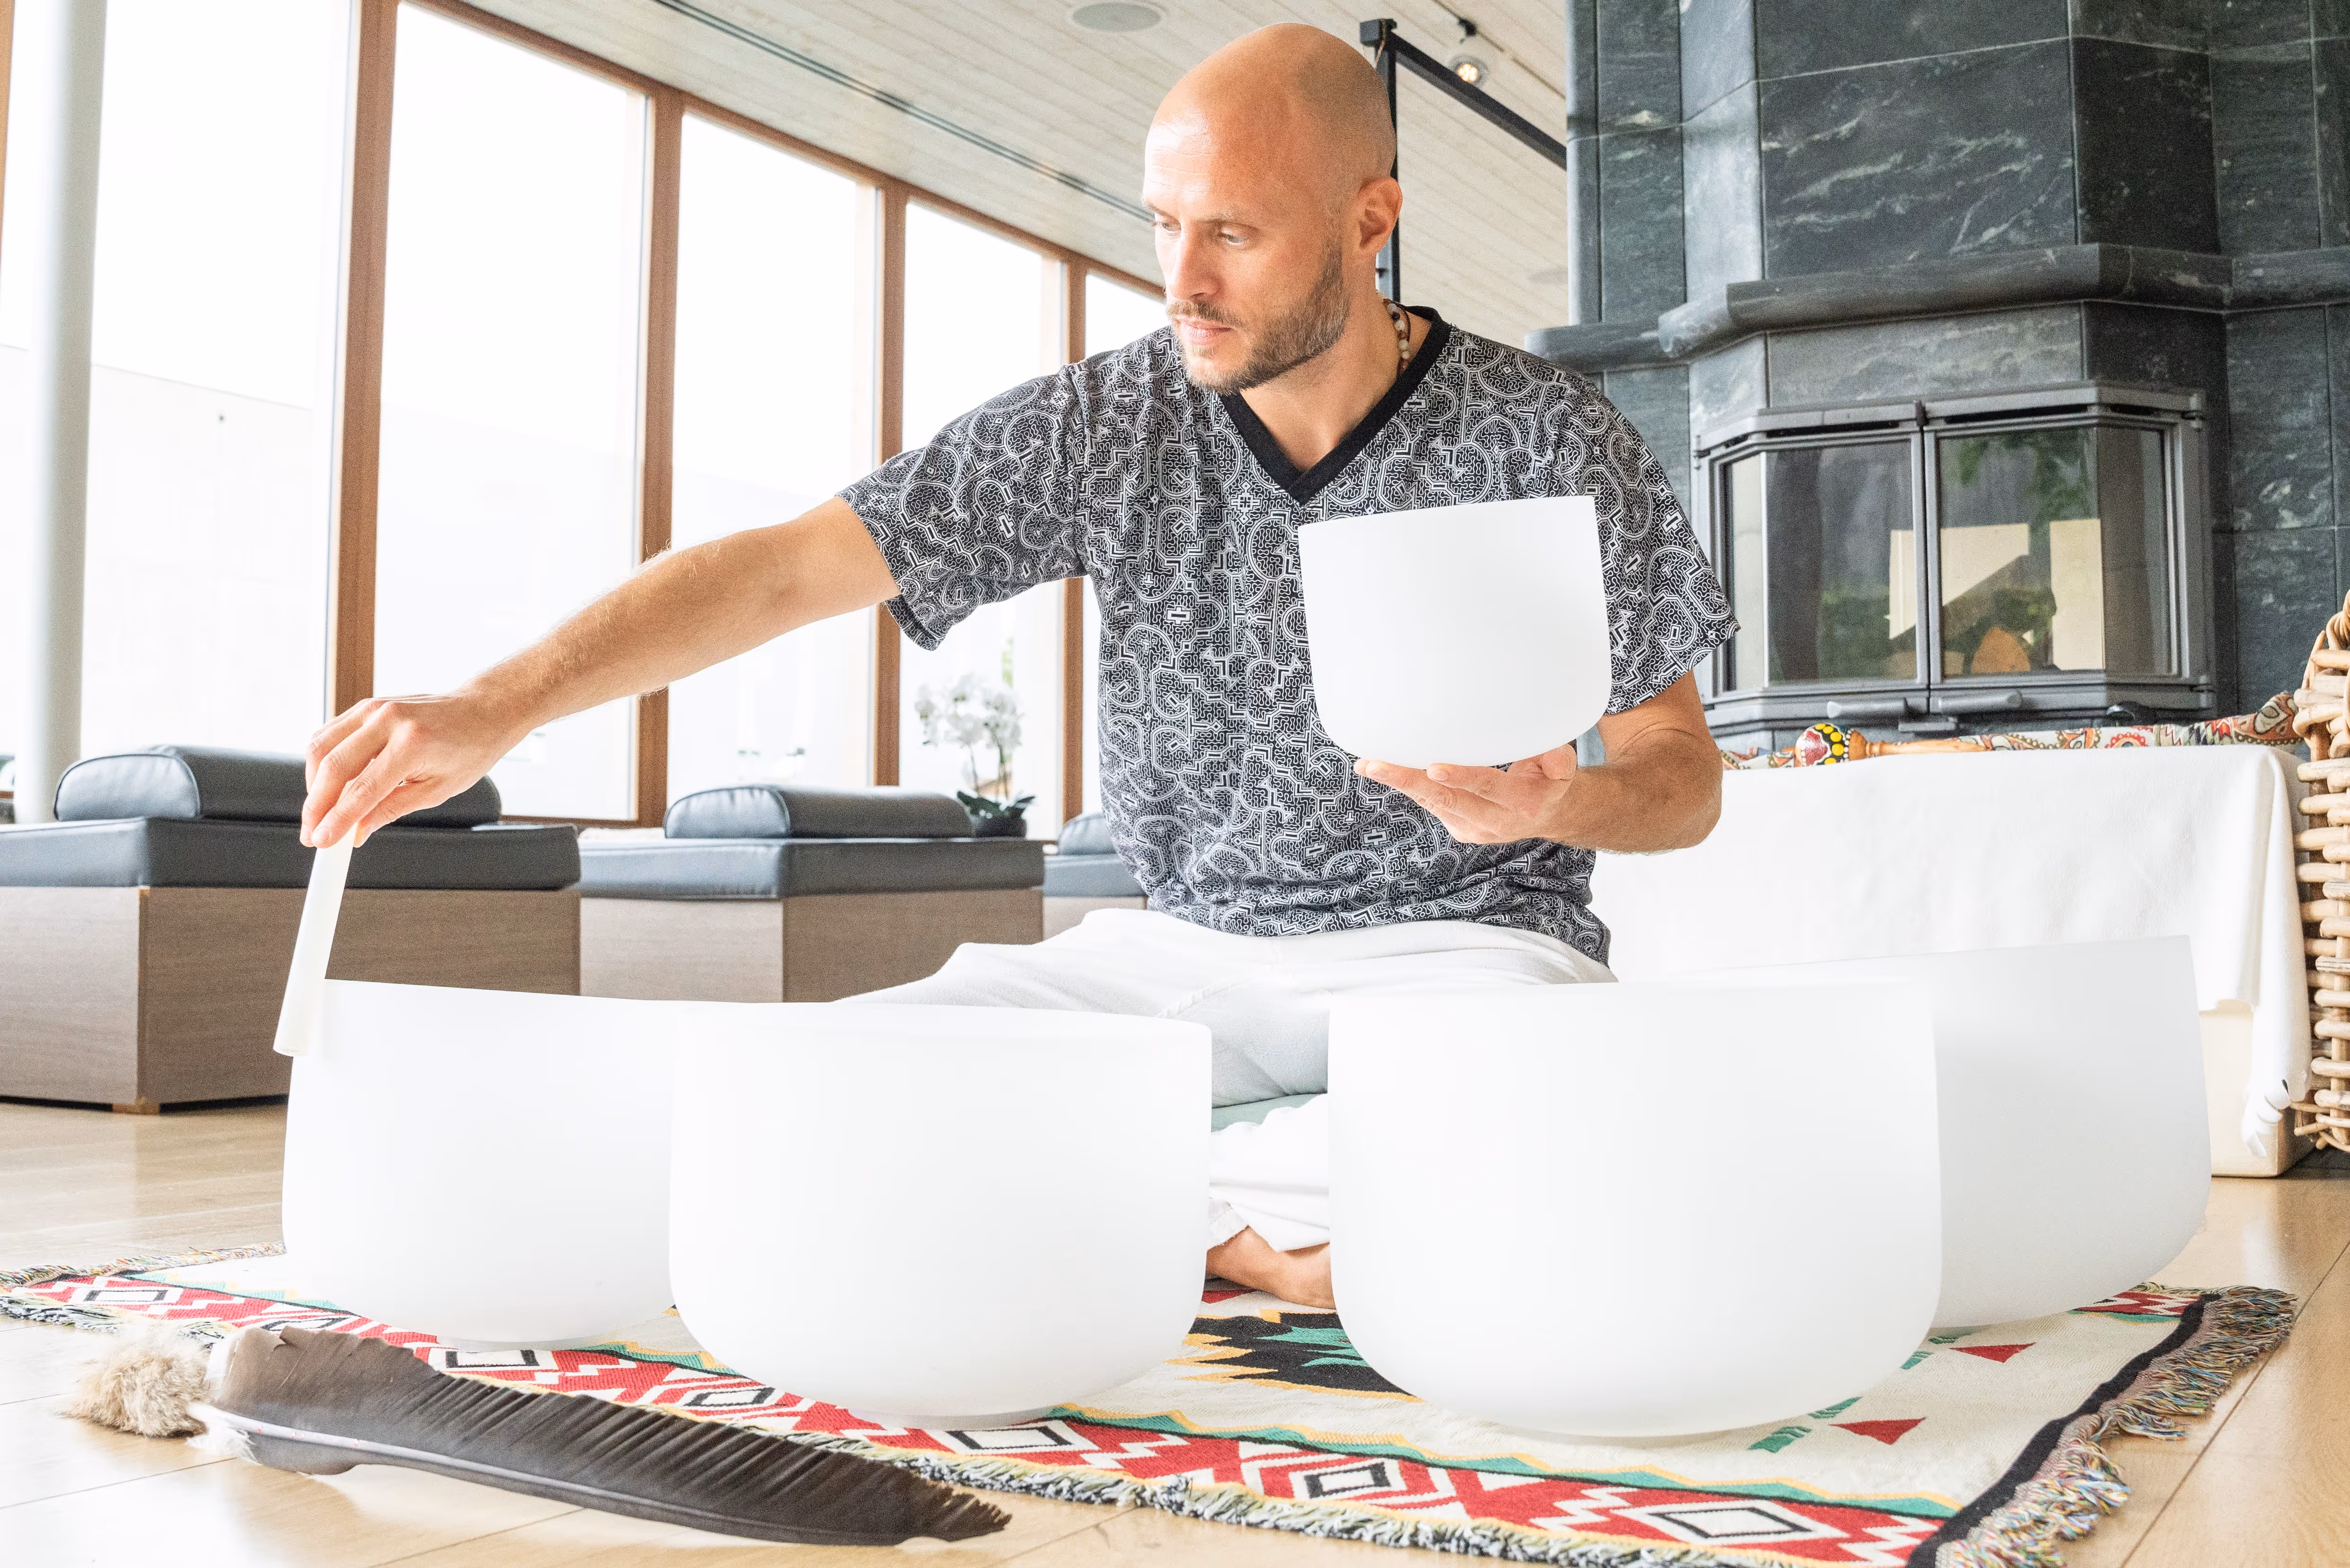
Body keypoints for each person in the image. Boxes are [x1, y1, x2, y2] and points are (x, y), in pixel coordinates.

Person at [298, 25, 1734, 1310]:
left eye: (1231, 231)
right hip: (1182, 963)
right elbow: (799, 561)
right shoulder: (1114, 418)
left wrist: (1553, 802)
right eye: (1165, 224)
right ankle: (1245, 1220)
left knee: (1559, 1160)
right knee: (810, 1089)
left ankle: (1141, 1197)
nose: (1183, 280)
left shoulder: (1549, 435)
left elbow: (1682, 785)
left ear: (1373, 222)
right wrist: (499, 705)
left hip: (1469, 961)